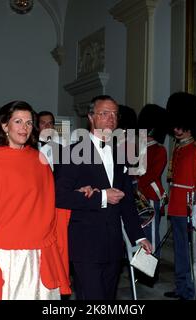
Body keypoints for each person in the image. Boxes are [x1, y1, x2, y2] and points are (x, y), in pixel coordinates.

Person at [0, 100, 70, 300]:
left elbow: (51, 204)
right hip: (7, 255)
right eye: (18, 121)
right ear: (4, 125)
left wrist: (78, 194)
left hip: (38, 253)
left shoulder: (39, 161)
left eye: (28, 123)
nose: (24, 128)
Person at [55, 95, 152, 300]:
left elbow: (127, 201)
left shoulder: (119, 155)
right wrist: (102, 197)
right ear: (91, 117)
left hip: (113, 244)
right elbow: (60, 197)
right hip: (85, 243)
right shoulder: (72, 153)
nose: (111, 119)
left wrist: (139, 236)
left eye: (115, 115)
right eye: (104, 113)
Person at [164, 92, 196, 300]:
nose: (176, 130)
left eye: (181, 126)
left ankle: (191, 290)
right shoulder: (178, 148)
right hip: (176, 205)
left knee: (190, 251)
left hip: (188, 206)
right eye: (175, 125)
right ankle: (181, 287)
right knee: (180, 249)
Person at [136, 104, 168, 256]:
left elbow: (151, 175)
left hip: (150, 197)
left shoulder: (159, 150)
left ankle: (152, 270)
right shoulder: (140, 149)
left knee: (151, 237)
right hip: (139, 197)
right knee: (140, 235)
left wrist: (136, 188)